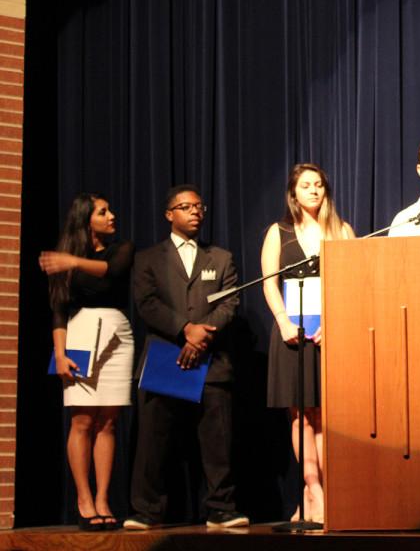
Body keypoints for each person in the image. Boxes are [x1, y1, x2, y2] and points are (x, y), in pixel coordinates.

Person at [124, 184, 248, 529]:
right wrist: (185, 330)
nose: (195, 212)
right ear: (169, 214)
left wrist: (200, 335)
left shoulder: (221, 257)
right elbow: (147, 304)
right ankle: (146, 511)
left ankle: (221, 509)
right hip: (167, 355)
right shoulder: (148, 258)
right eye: (186, 207)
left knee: (217, 440)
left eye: (199, 207)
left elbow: (230, 303)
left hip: (211, 358)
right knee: (153, 441)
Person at [262, 164, 354, 523]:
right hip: (291, 333)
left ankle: (326, 493)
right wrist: (284, 322)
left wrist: (334, 323)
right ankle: (311, 489)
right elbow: (270, 282)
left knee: (325, 415)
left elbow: (352, 282)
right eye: (306, 185)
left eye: (319, 185)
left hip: (330, 333)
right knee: (300, 415)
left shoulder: (342, 230)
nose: (314, 190)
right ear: (293, 193)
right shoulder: (279, 231)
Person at [39, 193, 135, 531]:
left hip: (117, 335)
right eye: (103, 211)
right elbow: (59, 310)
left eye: (110, 210)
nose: (112, 215)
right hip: (78, 335)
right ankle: (83, 498)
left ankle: (103, 498)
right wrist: (60, 354)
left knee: (108, 422)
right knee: (82, 421)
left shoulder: (121, 248)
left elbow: (112, 272)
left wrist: (73, 262)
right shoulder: (68, 260)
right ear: (86, 219)